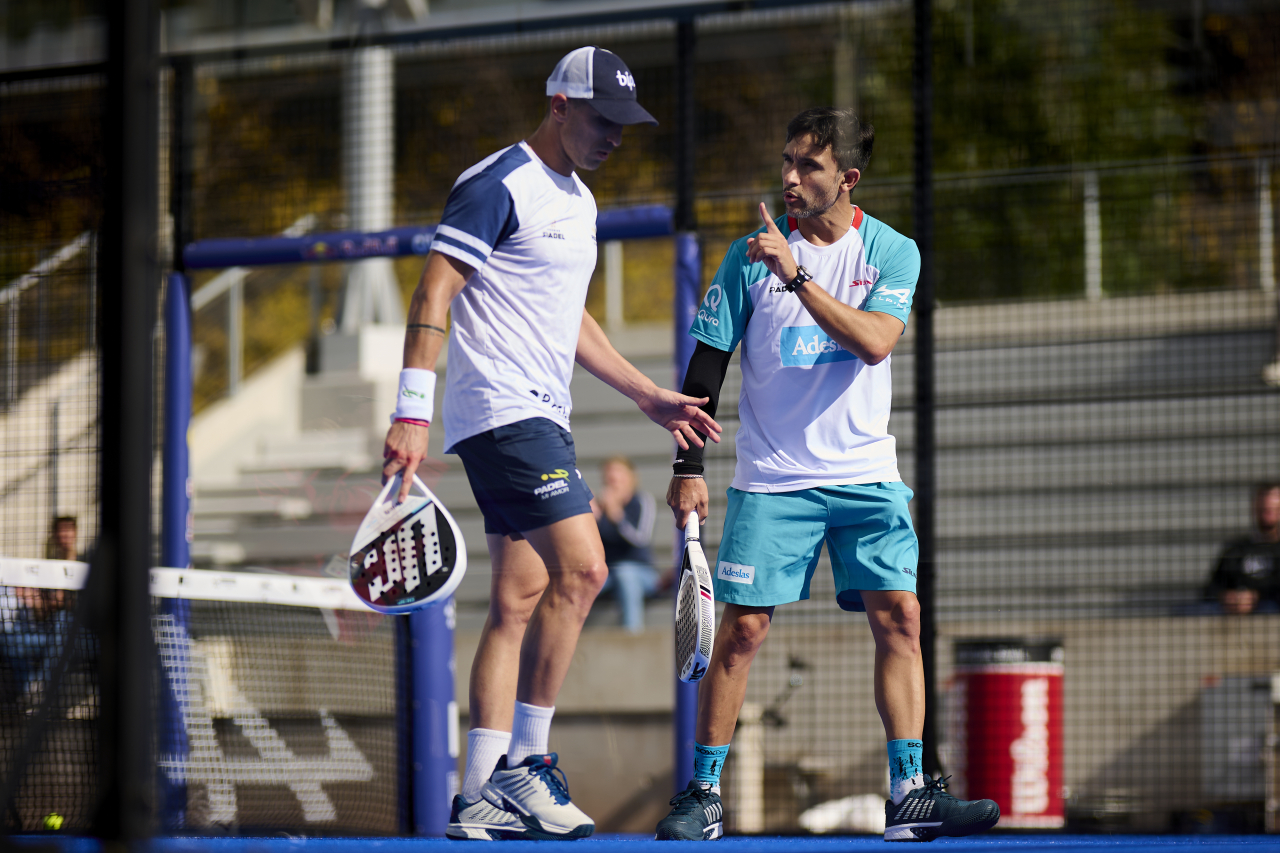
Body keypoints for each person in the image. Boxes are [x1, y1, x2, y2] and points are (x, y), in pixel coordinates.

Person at [380, 46, 722, 841]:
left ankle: (473, 796)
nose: (615, 137)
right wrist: (410, 409)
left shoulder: (581, 200)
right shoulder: (495, 184)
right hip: (502, 411)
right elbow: (435, 289)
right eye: (603, 120)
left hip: (543, 412)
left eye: (625, 125)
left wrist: (644, 393)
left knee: (517, 600)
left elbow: (566, 315)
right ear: (561, 103)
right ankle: (524, 767)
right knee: (588, 566)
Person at [654, 108, 999, 843]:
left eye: (808, 166)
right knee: (742, 631)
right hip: (773, 479)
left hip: (867, 477)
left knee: (900, 618)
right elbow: (706, 365)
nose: (789, 177)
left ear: (847, 178)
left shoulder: (892, 251)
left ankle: (909, 792)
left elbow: (876, 341)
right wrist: (687, 464)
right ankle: (703, 794)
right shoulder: (749, 256)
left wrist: (800, 276)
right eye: (786, 162)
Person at [592, 456, 659, 633]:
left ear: (631, 479)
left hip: (641, 572)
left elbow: (641, 539)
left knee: (625, 574)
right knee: (580, 580)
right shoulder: (599, 507)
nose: (613, 484)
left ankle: (632, 636)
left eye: (618, 478)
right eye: (609, 479)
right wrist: (590, 520)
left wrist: (617, 516)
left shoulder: (641, 501)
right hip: (607, 572)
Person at [1204, 483, 1280, 614]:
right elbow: (1212, 588)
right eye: (1263, 509)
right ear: (1254, 508)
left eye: (1272, 510)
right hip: (1232, 612)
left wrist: (1256, 597)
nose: (1267, 515)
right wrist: (1227, 597)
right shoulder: (1236, 549)